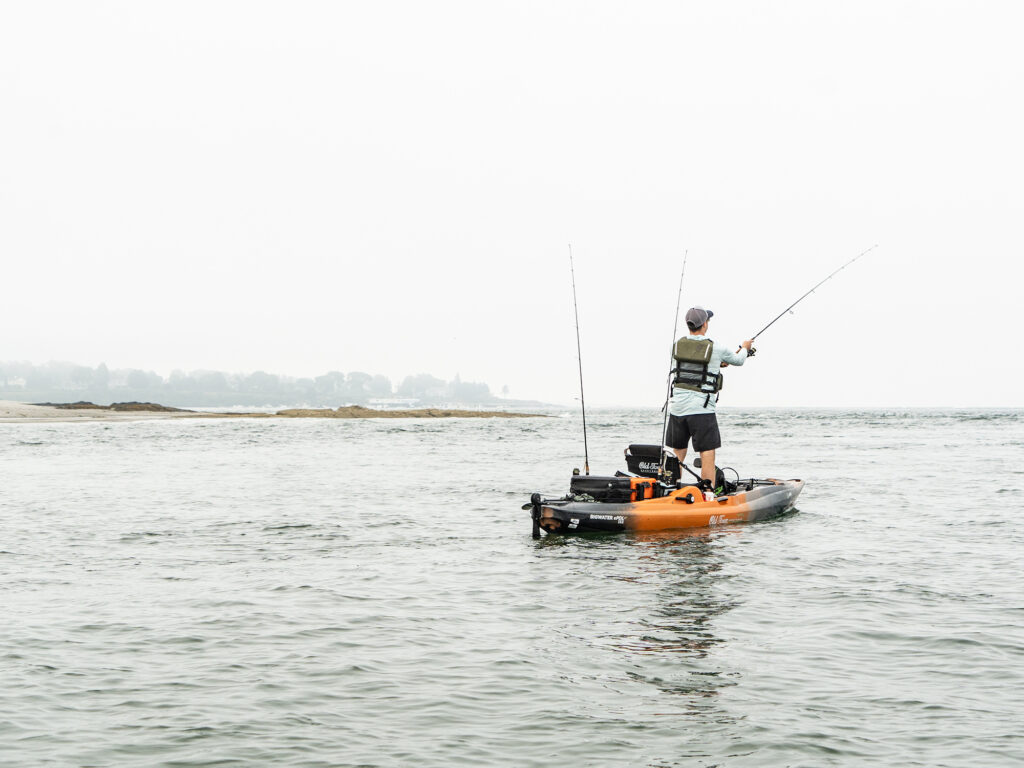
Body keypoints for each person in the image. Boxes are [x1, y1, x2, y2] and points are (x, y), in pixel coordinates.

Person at [666, 306, 753, 495]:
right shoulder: (717, 348)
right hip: (702, 410)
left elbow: (692, 365)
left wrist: (718, 363)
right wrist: (745, 348)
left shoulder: (676, 346)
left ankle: (670, 491)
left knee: (678, 452)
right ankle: (708, 495)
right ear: (704, 324)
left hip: (677, 409)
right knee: (707, 453)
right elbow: (738, 360)